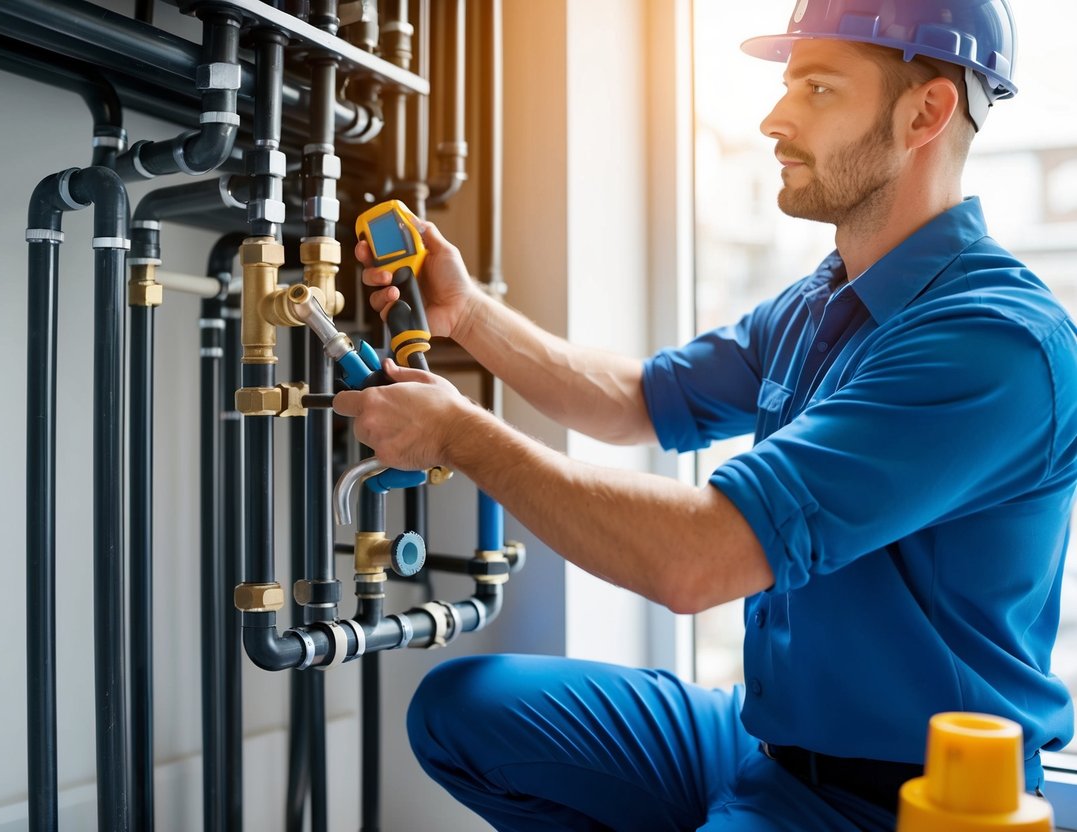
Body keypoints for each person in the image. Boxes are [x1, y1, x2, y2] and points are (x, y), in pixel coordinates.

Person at [334, 1, 1077, 829]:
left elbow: (696, 560)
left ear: (924, 113)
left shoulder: (989, 344)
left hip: (896, 796)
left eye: (817, 88)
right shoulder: (819, 302)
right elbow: (634, 400)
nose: (773, 117)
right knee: (462, 710)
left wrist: (458, 435)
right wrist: (469, 314)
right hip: (762, 740)